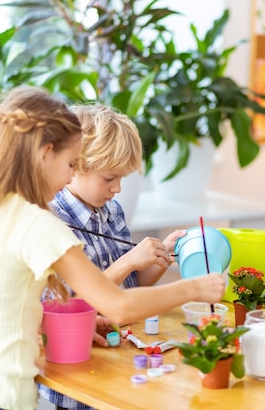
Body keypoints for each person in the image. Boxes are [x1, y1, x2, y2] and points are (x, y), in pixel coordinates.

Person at [0, 86, 225, 410]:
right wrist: (193, 288)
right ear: (45, 154)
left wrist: (61, 321)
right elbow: (119, 305)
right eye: (69, 164)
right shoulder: (37, 223)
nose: (69, 176)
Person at [40, 104, 185, 410]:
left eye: (122, 179)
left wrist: (160, 258)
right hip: (77, 372)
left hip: (118, 352)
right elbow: (67, 307)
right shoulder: (52, 219)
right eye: (109, 178)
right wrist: (129, 260)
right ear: (74, 165)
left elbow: (131, 286)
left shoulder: (111, 212)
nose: (117, 189)